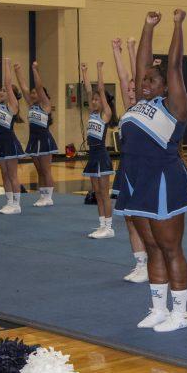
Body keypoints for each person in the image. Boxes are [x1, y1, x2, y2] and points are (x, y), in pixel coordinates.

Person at [117, 9, 187, 333]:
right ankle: (159, 308)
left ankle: (181, 313)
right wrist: (147, 27)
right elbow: (141, 63)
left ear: (166, 86)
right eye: (143, 80)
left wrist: (177, 26)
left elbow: (175, 65)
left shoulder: (174, 105)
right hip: (135, 179)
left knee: (170, 247)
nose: (143, 83)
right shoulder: (139, 103)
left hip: (164, 180)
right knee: (150, 246)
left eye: (151, 80)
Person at [111, 37, 148, 282]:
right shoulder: (129, 109)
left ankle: (150, 261)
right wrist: (116, 51)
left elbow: (135, 74)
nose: (130, 91)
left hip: (145, 168)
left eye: (135, 89)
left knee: (143, 217)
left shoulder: (147, 107)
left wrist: (134, 50)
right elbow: (125, 79)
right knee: (128, 216)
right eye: (129, 90)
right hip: (126, 167)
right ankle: (140, 263)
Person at [79, 59, 116, 239]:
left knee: (104, 193)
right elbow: (87, 90)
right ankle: (102, 225)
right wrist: (84, 73)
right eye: (92, 100)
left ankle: (109, 227)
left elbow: (100, 90)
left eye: (97, 99)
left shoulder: (104, 115)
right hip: (92, 157)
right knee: (97, 194)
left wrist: (99, 69)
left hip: (101, 156)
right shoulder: (92, 113)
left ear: (103, 102)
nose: (94, 101)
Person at [13, 61, 58, 207]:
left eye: (35, 93)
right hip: (34, 140)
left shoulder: (45, 105)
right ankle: (42, 195)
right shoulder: (31, 105)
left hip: (44, 140)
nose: (32, 94)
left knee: (46, 170)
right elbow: (23, 86)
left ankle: (49, 197)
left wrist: (34, 70)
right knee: (39, 170)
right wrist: (17, 70)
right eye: (31, 93)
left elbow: (38, 87)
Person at [0, 56, 25, 214]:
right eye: (1, 91)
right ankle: (9, 202)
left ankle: (16, 204)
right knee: (4, 174)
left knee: (12, 174)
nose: (1, 91)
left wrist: (7, 65)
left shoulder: (12, 106)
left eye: (5, 91)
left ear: (11, 95)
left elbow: (7, 84)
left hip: (10, 142)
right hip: (0, 143)